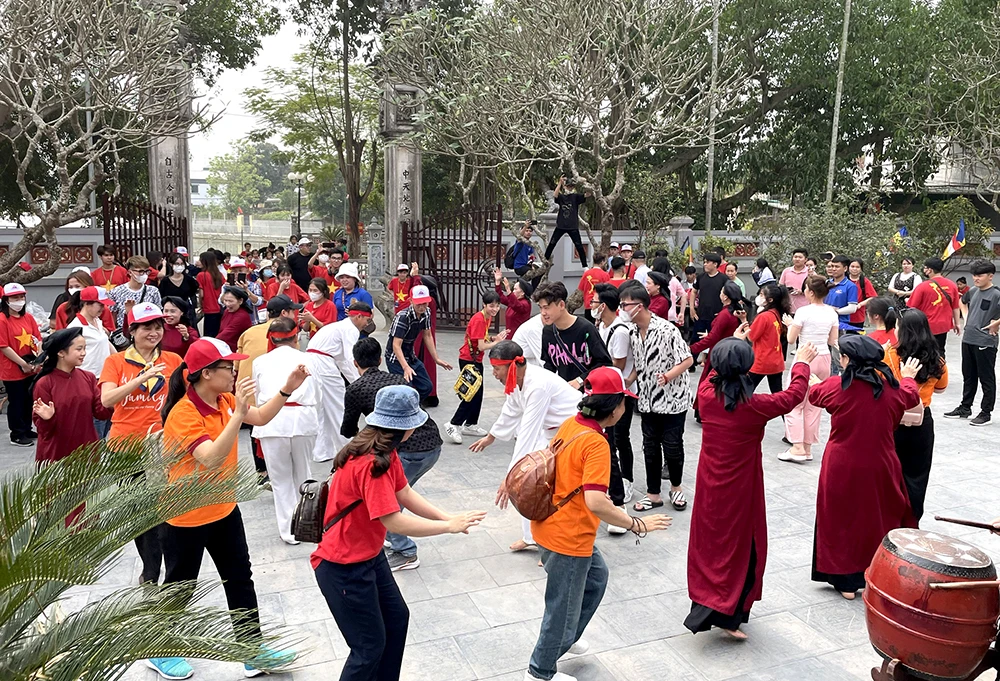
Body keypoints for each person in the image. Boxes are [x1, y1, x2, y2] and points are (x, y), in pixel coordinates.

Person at [154, 337, 305, 680]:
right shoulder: (183, 414)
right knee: (180, 586)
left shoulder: (223, 399)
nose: (235, 371)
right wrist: (238, 415)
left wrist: (286, 389)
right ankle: (160, 651)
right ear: (206, 373)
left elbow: (262, 417)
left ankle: (251, 651)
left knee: (239, 579)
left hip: (223, 509)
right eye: (228, 367)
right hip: (185, 515)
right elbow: (209, 458)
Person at [312, 385, 485, 681]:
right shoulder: (372, 463)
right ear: (407, 428)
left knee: (396, 620)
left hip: (369, 556)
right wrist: (446, 527)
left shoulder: (384, 451)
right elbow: (394, 522)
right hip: (343, 567)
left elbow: (403, 493)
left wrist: (448, 516)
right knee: (368, 648)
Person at [524, 367, 671, 681]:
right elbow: (596, 502)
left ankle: (566, 638)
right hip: (569, 537)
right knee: (561, 608)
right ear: (615, 406)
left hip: (553, 526)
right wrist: (635, 524)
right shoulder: (596, 444)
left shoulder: (571, 425)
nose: (625, 409)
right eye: (624, 403)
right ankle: (540, 672)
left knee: (596, 579)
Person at [685, 338, 817, 639]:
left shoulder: (705, 394)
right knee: (743, 545)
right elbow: (793, 395)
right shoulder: (755, 406)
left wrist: (732, 347)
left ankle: (709, 603)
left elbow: (716, 375)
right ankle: (729, 611)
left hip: (709, 480)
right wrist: (801, 363)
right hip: (742, 484)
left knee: (710, 543)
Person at [810, 335, 921, 599]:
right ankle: (880, 572)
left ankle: (846, 581)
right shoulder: (892, 389)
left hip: (842, 463)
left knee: (840, 518)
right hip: (881, 462)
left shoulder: (837, 386)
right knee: (878, 517)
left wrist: (811, 376)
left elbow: (815, 395)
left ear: (847, 360)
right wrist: (907, 376)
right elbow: (911, 394)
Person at [341, 338, 446, 571]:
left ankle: (405, 550)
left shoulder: (355, 389)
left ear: (355, 363)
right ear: (380, 359)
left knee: (388, 504)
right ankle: (394, 538)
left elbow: (348, 429)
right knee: (397, 495)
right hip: (432, 444)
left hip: (408, 451)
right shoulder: (398, 380)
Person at [470, 340, 584, 551]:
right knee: (531, 481)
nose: (494, 373)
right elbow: (511, 409)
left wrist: (510, 477)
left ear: (511, 366)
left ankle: (552, 546)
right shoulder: (516, 380)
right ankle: (531, 537)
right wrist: (491, 436)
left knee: (548, 483)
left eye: (496, 368)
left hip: (572, 432)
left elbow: (527, 436)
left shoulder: (538, 385)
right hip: (550, 431)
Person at [99, 303, 182, 585]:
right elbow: (107, 400)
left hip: (162, 447)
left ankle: (160, 572)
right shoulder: (116, 362)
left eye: (158, 326)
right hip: (126, 448)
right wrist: (141, 378)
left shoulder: (173, 360)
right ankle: (149, 571)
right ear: (132, 330)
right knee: (138, 512)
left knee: (163, 510)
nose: (154, 332)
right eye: (147, 327)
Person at [621, 285, 694, 513]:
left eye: (625, 305)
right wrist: (626, 381)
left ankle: (675, 487)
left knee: (672, 445)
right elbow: (640, 365)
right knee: (650, 446)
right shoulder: (633, 331)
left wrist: (667, 376)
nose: (622, 309)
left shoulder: (666, 329)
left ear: (639, 306)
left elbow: (687, 359)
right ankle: (653, 494)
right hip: (647, 399)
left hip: (673, 400)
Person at [252, 318, 319, 544]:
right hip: (302, 418)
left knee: (280, 480)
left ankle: (289, 530)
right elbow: (318, 392)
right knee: (304, 474)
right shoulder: (309, 358)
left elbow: (258, 392)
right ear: (295, 336)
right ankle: (308, 524)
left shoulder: (260, 361)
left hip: (272, 420)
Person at [885, 309, 947, 522]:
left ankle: (889, 517)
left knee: (890, 471)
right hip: (922, 421)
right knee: (918, 474)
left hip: (892, 419)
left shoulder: (890, 355)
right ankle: (912, 520)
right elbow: (941, 388)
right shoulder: (937, 359)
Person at [31, 329, 114, 476]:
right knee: (55, 497)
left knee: (83, 496)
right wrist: (47, 418)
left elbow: (101, 412)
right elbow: (43, 430)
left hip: (86, 449)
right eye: (79, 349)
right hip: (56, 453)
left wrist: (113, 400)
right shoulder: (44, 383)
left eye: (84, 348)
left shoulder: (88, 378)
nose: (84, 353)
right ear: (61, 353)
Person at [781, 275, 839, 464]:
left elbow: (790, 339)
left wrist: (790, 324)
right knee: (814, 404)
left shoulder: (803, 311)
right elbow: (832, 340)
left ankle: (797, 446)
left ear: (810, 292)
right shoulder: (832, 312)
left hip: (805, 356)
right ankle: (807, 447)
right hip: (823, 357)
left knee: (795, 401)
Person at [307, 301, 369, 462]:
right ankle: (348, 448)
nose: (366, 324)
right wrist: (362, 382)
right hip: (324, 365)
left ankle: (322, 451)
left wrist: (357, 381)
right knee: (338, 405)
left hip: (313, 362)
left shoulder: (337, 327)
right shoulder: (350, 329)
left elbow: (342, 361)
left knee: (323, 409)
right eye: (366, 320)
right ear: (359, 316)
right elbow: (349, 359)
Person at [593, 284, 637, 507]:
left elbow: (617, 365)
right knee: (608, 437)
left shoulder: (619, 331)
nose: (590, 306)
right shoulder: (602, 326)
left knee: (621, 437)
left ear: (603, 306)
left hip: (621, 393)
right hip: (605, 390)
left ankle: (627, 479)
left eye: (594, 302)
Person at [444, 292, 508, 444]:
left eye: (497, 306)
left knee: (478, 394)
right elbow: (481, 346)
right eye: (491, 306)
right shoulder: (479, 319)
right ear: (484, 305)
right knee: (470, 394)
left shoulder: (486, 317)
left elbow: (481, 338)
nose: (495, 309)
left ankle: (471, 424)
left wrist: (493, 338)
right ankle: (453, 423)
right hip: (468, 360)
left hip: (474, 360)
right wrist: (497, 342)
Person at [944, 259, 1000, 426]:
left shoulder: (996, 294)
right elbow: (962, 302)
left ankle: (985, 412)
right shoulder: (973, 291)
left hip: (986, 341)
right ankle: (965, 407)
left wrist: (997, 323)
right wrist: (966, 317)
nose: (976, 278)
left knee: (986, 377)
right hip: (968, 339)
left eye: (980, 275)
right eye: (974, 275)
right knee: (968, 375)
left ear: (990, 276)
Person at [534, 281, 612, 387]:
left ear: (561, 305)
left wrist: (580, 380)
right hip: (565, 394)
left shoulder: (586, 328)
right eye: (540, 308)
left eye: (546, 307)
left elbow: (605, 363)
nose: (543, 313)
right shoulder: (548, 332)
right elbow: (549, 365)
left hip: (589, 393)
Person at [385, 285, 452, 400]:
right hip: (395, 358)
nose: (422, 307)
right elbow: (396, 345)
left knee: (426, 386)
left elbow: (427, 335)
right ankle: (405, 411)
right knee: (407, 389)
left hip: (410, 356)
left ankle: (413, 408)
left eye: (424, 303)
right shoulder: (402, 317)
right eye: (418, 303)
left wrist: (436, 359)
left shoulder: (426, 313)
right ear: (411, 301)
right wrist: (405, 367)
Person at [0, 283, 42, 446]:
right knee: (16, 401)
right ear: (6, 300)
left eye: (21, 297)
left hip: (30, 366)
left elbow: (37, 340)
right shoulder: (2, 320)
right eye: (15, 297)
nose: (19, 300)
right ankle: (17, 433)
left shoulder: (29, 318)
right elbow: (4, 346)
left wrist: (38, 360)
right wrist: (22, 364)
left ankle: (26, 428)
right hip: (12, 368)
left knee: (28, 400)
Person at [690, 281, 746, 394]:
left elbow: (713, 338)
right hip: (728, 352)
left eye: (721, 292)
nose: (719, 294)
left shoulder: (725, 314)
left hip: (719, 353)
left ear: (725, 297)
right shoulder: (733, 311)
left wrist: (692, 348)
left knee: (708, 388)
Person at [908, 257, 960, 356]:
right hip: (943, 326)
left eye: (925, 268)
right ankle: (941, 370)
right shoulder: (952, 285)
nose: (924, 270)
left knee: (925, 353)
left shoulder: (922, 287)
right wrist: (957, 323)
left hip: (926, 326)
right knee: (940, 351)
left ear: (929, 270)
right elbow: (955, 306)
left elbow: (911, 307)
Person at [745, 283, 789, 394]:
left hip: (762, 360)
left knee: (745, 392)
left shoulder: (763, 316)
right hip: (776, 360)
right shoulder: (776, 313)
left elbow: (751, 336)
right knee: (777, 394)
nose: (758, 297)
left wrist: (743, 322)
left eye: (761, 295)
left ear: (769, 300)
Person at [544, 175, 590, 267]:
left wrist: (586, 182)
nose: (570, 188)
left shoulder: (576, 197)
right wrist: (560, 183)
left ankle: (585, 266)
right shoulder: (561, 197)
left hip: (572, 226)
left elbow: (588, 194)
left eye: (571, 186)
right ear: (565, 187)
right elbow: (555, 195)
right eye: (568, 186)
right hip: (561, 225)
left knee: (579, 246)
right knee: (552, 243)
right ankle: (544, 261)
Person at [109, 255, 162, 332]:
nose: (144, 274)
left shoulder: (153, 291)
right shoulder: (116, 292)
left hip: (147, 332)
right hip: (124, 333)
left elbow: (158, 314)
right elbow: (113, 317)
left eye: (147, 271)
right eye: (140, 271)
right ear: (130, 272)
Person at [689, 254, 727, 338]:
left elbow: (728, 297)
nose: (705, 264)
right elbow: (693, 292)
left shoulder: (724, 279)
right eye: (704, 262)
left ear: (715, 264)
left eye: (707, 262)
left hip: (716, 317)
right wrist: (692, 308)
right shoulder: (701, 277)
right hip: (701, 315)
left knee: (714, 341)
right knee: (695, 342)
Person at [196, 250, 225, 338]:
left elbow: (202, 294)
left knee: (208, 336)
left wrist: (201, 305)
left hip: (209, 308)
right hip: (220, 308)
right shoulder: (219, 275)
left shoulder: (201, 275)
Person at [494, 270, 533, 336]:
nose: (513, 291)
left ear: (523, 292)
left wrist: (508, 290)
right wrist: (497, 281)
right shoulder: (513, 301)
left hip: (519, 338)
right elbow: (501, 297)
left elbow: (517, 306)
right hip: (510, 336)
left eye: (515, 289)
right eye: (513, 289)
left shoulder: (525, 304)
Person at [846, 258, 878, 333]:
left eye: (857, 267)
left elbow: (873, 297)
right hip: (842, 316)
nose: (854, 269)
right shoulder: (843, 280)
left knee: (854, 339)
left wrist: (860, 304)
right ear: (848, 268)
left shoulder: (864, 281)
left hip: (858, 316)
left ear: (861, 269)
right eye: (852, 266)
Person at [576, 253, 610, 323]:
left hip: (588, 304)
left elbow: (581, 289)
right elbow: (608, 291)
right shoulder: (605, 275)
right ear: (602, 262)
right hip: (600, 305)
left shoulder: (586, 274)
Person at [780, 248, 811, 313]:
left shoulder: (809, 273)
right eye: (795, 257)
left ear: (806, 259)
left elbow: (815, 291)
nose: (797, 259)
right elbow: (781, 286)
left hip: (805, 308)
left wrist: (802, 291)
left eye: (800, 257)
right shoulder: (786, 271)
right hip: (788, 307)